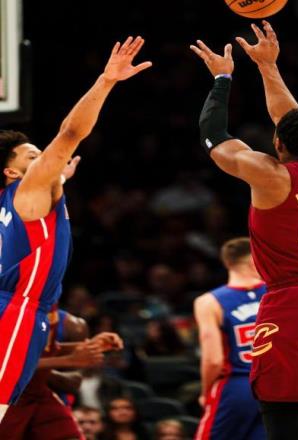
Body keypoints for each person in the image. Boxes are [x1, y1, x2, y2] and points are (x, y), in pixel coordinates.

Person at [190, 21, 298, 440]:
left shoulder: (269, 175)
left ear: (278, 143)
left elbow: (213, 135)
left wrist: (222, 79)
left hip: (297, 300)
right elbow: (292, 121)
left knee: (279, 407)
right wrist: (268, 67)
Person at [0, 36, 151, 422]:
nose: (45, 160)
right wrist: (107, 80)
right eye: (34, 157)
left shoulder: (13, 200)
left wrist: (61, 180)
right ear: (12, 172)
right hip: (15, 312)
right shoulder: (26, 191)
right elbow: (69, 134)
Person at [0, 305, 123, 439]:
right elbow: (7, 361)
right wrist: (69, 360)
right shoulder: (9, 306)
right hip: (8, 397)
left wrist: (88, 346)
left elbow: (47, 349)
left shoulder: (50, 309)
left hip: (38, 393)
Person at [194, 237, 266, 440]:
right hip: (279, 386)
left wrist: (205, 392)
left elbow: (213, 360)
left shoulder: (208, 302)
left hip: (237, 385)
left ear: (227, 262)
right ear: (254, 260)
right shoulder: (280, 292)